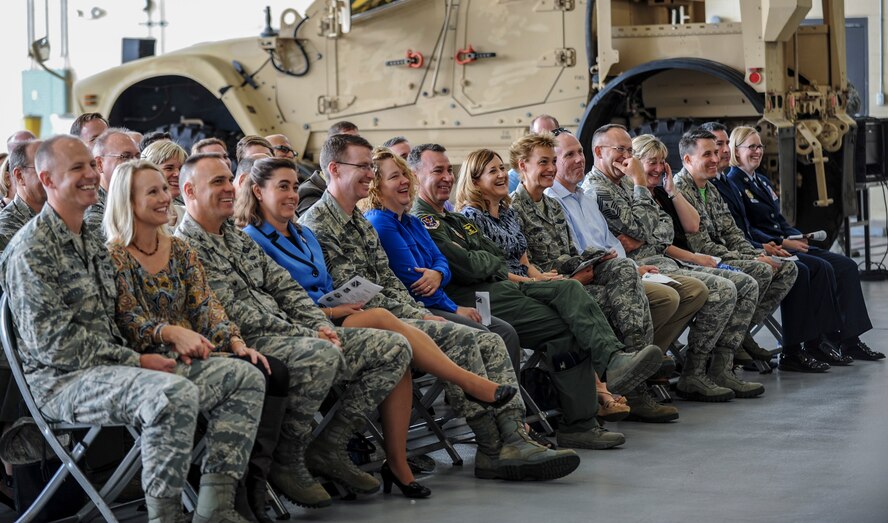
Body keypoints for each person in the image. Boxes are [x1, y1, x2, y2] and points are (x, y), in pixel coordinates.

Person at [0, 135, 264, 523]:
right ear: (48, 180)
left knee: (243, 378)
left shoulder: (90, 239)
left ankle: (214, 510)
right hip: (64, 383)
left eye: (91, 165)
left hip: (116, 367)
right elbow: (56, 347)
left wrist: (164, 338)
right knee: (170, 395)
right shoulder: (31, 249)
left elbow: (123, 316)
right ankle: (165, 517)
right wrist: (137, 359)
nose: (91, 175)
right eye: (77, 168)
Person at [299, 134, 584, 477]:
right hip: (362, 322)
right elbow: (360, 294)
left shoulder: (359, 221)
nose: (369, 174)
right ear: (334, 169)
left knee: (491, 339)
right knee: (465, 338)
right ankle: (492, 447)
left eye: (371, 168)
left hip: (398, 313)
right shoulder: (321, 223)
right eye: (363, 167)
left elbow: (389, 281)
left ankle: (514, 435)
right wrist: (421, 313)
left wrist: (420, 310)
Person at [237, 156, 517, 498]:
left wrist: (339, 305)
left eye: (295, 186)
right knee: (386, 321)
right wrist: (330, 311)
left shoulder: (304, 234)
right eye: (283, 187)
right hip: (307, 324)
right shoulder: (252, 240)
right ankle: (471, 385)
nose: (293, 194)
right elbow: (272, 302)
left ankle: (398, 463)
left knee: (398, 349)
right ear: (258, 192)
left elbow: (344, 282)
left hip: (337, 312)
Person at [175, 153, 412, 508]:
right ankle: (289, 455)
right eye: (217, 182)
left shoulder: (235, 238)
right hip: (245, 342)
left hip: (291, 333)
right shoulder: (186, 247)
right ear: (189, 191)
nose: (229, 188)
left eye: (228, 180)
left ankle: (331, 443)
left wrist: (319, 324)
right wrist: (304, 332)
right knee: (321, 355)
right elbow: (233, 314)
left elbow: (285, 287)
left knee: (395, 348)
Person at [441, 144, 661, 446]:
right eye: (493, 171)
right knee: (570, 291)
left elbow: (523, 259)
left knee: (569, 321)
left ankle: (582, 421)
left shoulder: (507, 213)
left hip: (522, 281)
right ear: (475, 180)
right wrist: (529, 280)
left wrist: (539, 277)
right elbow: (491, 268)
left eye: (502, 168)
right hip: (500, 290)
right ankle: (611, 363)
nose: (502, 175)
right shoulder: (470, 218)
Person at [104, 159, 284, 521]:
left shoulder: (180, 249)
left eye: (164, 188)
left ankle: (231, 497)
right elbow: (128, 319)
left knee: (262, 368)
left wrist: (234, 341)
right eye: (152, 191)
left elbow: (207, 306)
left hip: (197, 352)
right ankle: (224, 500)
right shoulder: (114, 256)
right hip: (151, 362)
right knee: (250, 378)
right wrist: (169, 335)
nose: (165, 197)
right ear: (128, 200)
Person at [583, 124, 764, 401]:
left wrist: (643, 230)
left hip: (658, 261)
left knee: (739, 285)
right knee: (724, 289)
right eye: (621, 150)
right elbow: (645, 228)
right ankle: (671, 369)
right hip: (638, 267)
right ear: (598, 152)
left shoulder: (624, 185)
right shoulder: (601, 189)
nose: (627, 157)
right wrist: (640, 188)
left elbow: (664, 230)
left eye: (630, 150)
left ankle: (709, 368)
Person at [516, 130, 683, 422]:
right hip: (551, 287)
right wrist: (573, 273)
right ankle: (630, 378)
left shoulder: (552, 205)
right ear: (523, 166)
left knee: (624, 269)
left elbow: (571, 251)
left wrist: (593, 259)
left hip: (575, 274)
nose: (551, 168)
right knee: (615, 297)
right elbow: (526, 266)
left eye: (553, 161)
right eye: (545, 162)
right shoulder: (515, 207)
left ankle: (631, 363)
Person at [725, 125, 883, 362]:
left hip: (787, 243)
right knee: (818, 269)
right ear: (736, 151)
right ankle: (815, 343)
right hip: (771, 247)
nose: (757, 151)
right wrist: (784, 242)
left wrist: (798, 236)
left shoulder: (761, 182)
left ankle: (850, 341)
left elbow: (779, 220)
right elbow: (748, 229)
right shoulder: (734, 183)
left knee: (847, 266)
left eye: (760, 146)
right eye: (751, 147)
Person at [362, 147, 522, 372]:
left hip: (436, 302)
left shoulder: (411, 221)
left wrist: (438, 273)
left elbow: (441, 261)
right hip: (417, 308)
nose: (404, 181)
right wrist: (454, 308)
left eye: (404, 174)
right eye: (394, 176)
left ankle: (508, 393)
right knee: (486, 336)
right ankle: (487, 394)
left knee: (506, 332)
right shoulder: (381, 222)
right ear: (376, 186)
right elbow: (415, 281)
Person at [671, 129, 812, 372]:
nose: (716, 158)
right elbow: (702, 247)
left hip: (721, 255)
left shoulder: (710, 188)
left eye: (716, 152)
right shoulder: (680, 190)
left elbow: (732, 233)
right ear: (688, 159)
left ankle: (740, 332)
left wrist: (756, 254)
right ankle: (727, 349)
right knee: (761, 271)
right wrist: (754, 259)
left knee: (787, 269)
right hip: (700, 261)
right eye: (707, 154)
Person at [84, 128, 140, 230]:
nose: (136, 163)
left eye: (138, 157)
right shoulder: (93, 211)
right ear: (99, 164)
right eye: (125, 157)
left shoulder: (138, 196)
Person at [0, 140, 44, 252]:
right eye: (42, 167)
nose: (53, 175)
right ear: (20, 176)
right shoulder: (4, 229)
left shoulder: (66, 217)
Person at [142, 139, 188, 221]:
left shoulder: (186, 213)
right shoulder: (138, 214)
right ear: (148, 170)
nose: (178, 174)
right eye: (169, 168)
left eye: (181, 169)